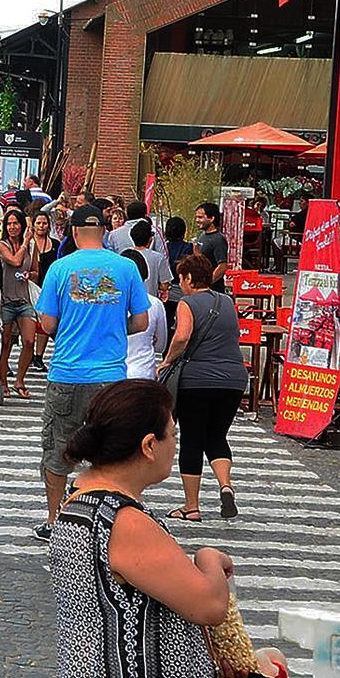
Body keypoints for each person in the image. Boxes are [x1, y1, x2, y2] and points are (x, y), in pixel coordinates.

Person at [50, 380, 228, 678]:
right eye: (172, 435)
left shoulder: (80, 498)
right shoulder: (122, 521)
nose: (175, 446)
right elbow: (210, 605)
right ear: (149, 445)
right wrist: (209, 558)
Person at [33, 205, 150, 541]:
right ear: (104, 232)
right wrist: (112, 327)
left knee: (58, 449)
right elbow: (141, 322)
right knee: (111, 451)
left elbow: (47, 323)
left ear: (73, 233)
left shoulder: (59, 268)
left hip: (68, 372)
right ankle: (109, 522)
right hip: (111, 376)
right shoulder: (126, 268)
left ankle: (55, 520)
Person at [158, 252, 248, 522]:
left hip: (198, 379)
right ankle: (225, 485)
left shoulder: (187, 303)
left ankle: (191, 506)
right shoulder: (227, 301)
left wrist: (167, 360)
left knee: (193, 439)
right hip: (233, 379)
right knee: (217, 436)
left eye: (181, 278)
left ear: (187, 278)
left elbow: (183, 336)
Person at [0, 209, 38, 400]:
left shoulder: (32, 246)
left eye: (16, 223)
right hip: (6, 300)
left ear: (21, 225)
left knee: (29, 341)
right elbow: (15, 261)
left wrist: (30, 275)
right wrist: (26, 242)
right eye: (9, 223)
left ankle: (20, 380)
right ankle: (3, 382)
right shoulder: (1, 244)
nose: (12, 227)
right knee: (5, 343)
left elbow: (36, 270)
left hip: (24, 299)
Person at [120, 250, 168, 382]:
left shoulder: (109, 303)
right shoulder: (155, 304)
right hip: (144, 373)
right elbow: (161, 345)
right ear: (145, 275)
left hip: (114, 373)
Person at [30, 211, 58, 371]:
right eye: (38, 223)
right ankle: (27, 352)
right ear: (33, 225)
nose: (41, 226)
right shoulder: (27, 242)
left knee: (44, 322)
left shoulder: (55, 244)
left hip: (47, 287)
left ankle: (38, 356)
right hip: (29, 286)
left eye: (44, 223)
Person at [193, 201, 230, 292]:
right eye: (197, 217)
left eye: (200, 217)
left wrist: (208, 283)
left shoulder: (218, 239)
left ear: (211, 218)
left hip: (214, 291)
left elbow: (222, 266)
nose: (197, 220)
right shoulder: (202, 236)